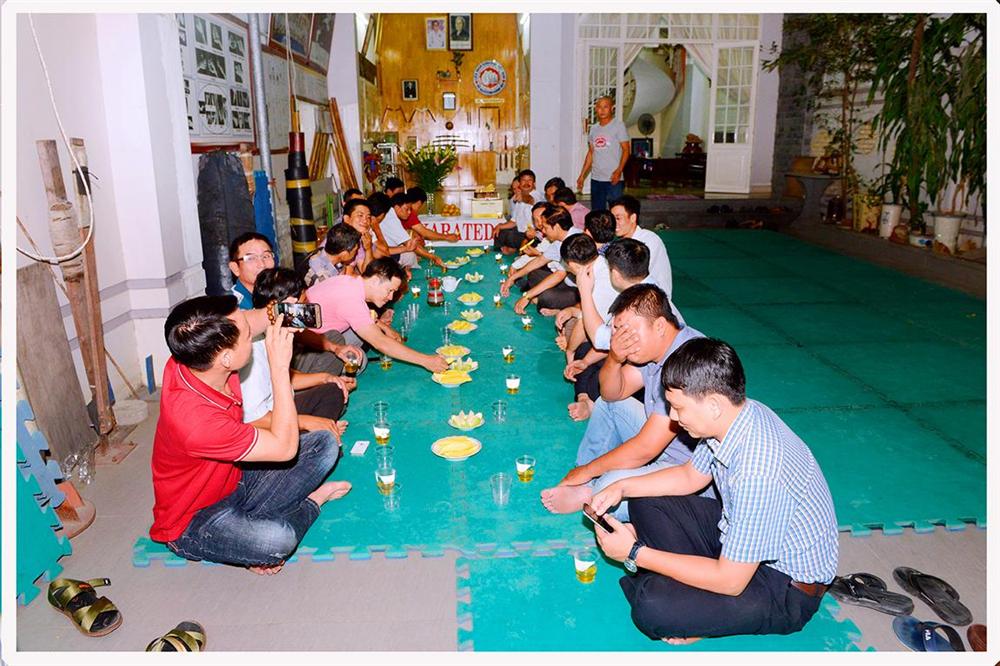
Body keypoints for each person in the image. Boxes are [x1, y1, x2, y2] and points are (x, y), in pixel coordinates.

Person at [590, 338, 839, 644]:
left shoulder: (758, 471)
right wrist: (622, 486)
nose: (673, 418)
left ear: (713, 405)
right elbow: (689, 476)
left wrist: (635, 553)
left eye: (678, 407)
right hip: (736, 539)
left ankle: (692, 605)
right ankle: (690, 592)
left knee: (651, 607)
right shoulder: (735, 416)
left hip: (782, 586)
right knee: (644, 501)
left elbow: (731, 581)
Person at [150, 295, 351, 574]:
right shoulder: (197, 422)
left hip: (236, 479)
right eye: (247, 336)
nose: (253, 336)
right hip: (196, 519)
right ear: (226, 358)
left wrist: (279, 311)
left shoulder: (193, 357)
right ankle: (311, 502)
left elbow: (250, 321)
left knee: (325, 443)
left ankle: (246, 534)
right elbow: (285, 449)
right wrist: (279, 368)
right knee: (278, 540)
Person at [541, 284, 708, 519]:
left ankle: (591, 485)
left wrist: (588, 471)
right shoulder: (656, 347)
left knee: (606, 489)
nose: (623, 339)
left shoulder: (686, 359)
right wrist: (614, 358)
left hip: (685, 468)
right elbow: (612, 393)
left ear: (659, 325)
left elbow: (646, 448)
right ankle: (585, 483)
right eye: (618, 331)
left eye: (629, 331)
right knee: (607, 404)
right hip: (660, 443)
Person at [243, 268, 356, 441]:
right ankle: (312, 439)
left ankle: (317, 433)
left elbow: (283, 378)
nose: (304, 324)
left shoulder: (275, 334)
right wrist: (306, 422)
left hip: (284, 407)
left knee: (334, 390)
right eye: (302, 307)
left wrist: (326, 378)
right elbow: (254, 419)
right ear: (282, 307)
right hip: (266, 425)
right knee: (321, 440)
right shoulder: (252, 349)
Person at [298, 258, 449, 374]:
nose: (391, 297)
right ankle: (321, 379)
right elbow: (380, 342)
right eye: (390, 290)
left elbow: (363, 316)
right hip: (304, 350)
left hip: (314, 337)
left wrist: (385, 328)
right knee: (359, 361)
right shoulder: (351, 298)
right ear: (376, 280)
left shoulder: (351, 282)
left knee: (360, 345)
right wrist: (426, 361)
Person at [501, 209, 580, 315]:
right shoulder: (559, 240)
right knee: (534, 274)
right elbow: (540, 260)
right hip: (565, 282)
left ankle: (568, 309)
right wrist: (512, 278)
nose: (543, 232)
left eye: (545, 228)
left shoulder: (575, 241)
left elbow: (559, 275)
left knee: (546, 297)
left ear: (556, 227)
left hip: (578, 290)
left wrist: (527, 296)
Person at [610, 195, 673, 299]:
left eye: (618, 218)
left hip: (653, 298)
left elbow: (633, 277)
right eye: (612, 219)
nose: (614, 223)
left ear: (633, 218)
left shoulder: (649, 240)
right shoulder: (621, 242)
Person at [577, 96, 630, 212]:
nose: (602, 110)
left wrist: (619, 170)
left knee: (616, 212)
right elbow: (591, 153)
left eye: (605, 107)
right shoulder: (594, 129)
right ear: (596, 109)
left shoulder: (618, 126)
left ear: (612, 108)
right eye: (599, 107)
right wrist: (582, 175)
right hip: (596, 178)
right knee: (597, 212)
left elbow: (626, 150)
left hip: (613, 178)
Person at [303, 223, 362, 287]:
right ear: (344, 254)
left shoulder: (329, 254)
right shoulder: (321, 277)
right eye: (355, 251)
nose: (356, 253)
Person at [228, 232, 275, 310]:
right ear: (235, 268)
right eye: (251, 258)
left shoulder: (281, 294)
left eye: (266, 256)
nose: (262, 264)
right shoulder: (232, 308)